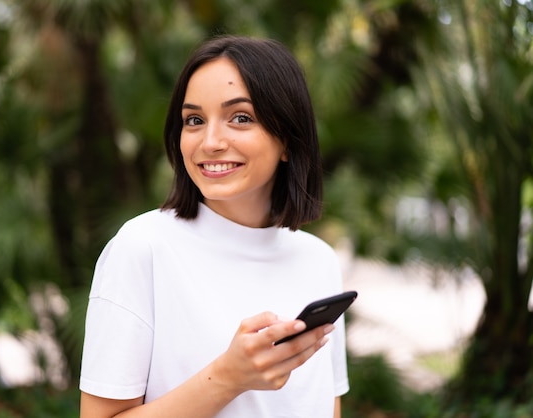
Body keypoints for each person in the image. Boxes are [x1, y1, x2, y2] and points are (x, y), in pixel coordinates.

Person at [79, 35, 350, 418]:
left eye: (240, 117)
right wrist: (228, 377)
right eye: (194, 120)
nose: (210, 142)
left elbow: (327, 408)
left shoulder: (318, 260)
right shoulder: (143, 248)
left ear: (288, 139)